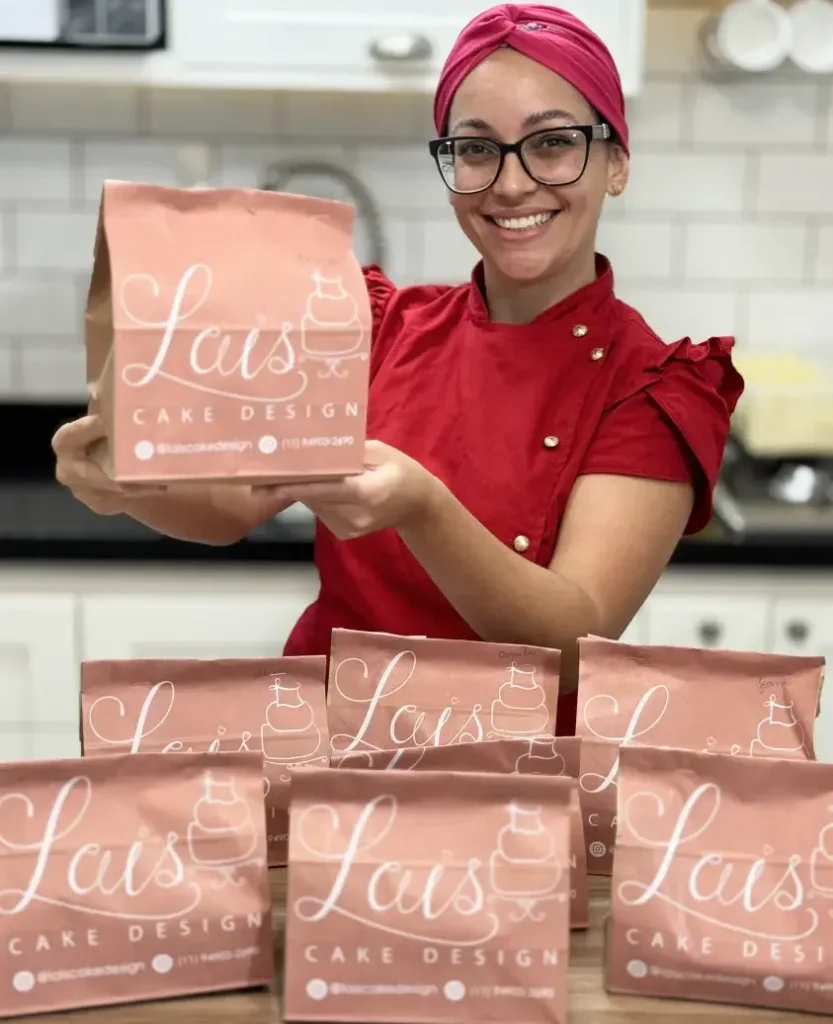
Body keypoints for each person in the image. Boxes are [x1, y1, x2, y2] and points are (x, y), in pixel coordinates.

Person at [52, 3, 743, 733]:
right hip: (327, 753)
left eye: (552, 143)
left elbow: (575, 646)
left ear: (616, 162)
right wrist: (129, 487)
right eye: (476, 149)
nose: (511, 184)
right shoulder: (379, 327)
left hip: (514, 776)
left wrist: (424, 509)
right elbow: (235, 506)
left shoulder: (652, 385)